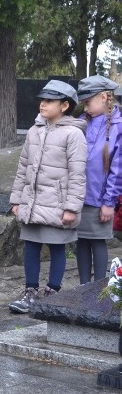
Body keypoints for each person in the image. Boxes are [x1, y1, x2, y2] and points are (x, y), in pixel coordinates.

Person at [8, 80, 86, 313]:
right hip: (32, 203)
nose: (43, 104)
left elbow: (78, 173)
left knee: (57, 246)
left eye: (49, 101)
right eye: (42, 100)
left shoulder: (73, 134)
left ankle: (53, 292)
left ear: (64, 105)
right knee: (31, 245)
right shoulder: (35, 130)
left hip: (57, 204)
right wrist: (17, 200)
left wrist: (72, 207)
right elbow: (23, 166)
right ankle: (30, 293)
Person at [74, 76, 121, 284]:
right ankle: (84, 287)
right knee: (81, 241)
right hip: (79, 195)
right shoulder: (84, 122)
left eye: (88, 102)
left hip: (101, 198)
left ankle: (99, 289)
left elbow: (117, 169)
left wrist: (109, 202)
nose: (86, 107)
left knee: (97, 241)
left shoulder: (118, 126)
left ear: (104, 97)